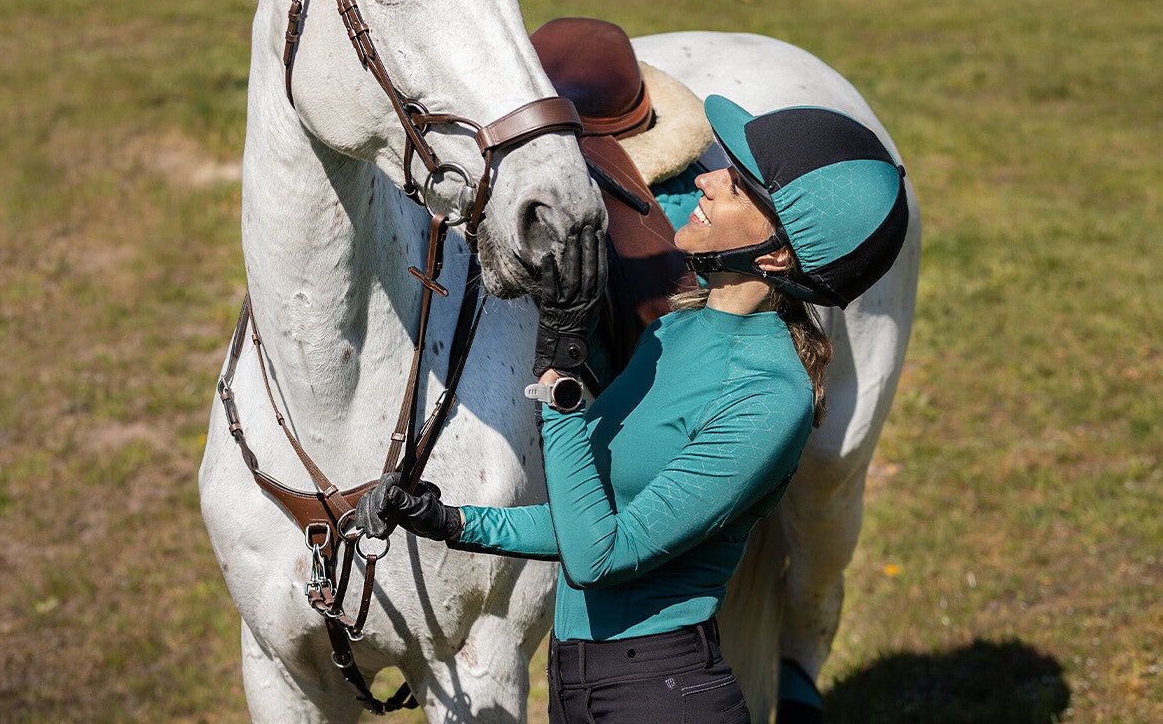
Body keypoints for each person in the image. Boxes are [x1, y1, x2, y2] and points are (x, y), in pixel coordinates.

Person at [360, 97, 910, 724]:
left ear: (777, 256)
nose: (704, 178)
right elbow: (586, 519)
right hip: (576, 685)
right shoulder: (676, 331)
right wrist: (452, 522)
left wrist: (561, 384)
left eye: (737, 186)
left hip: (661, 692)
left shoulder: (769, 398)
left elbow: (601, 558)